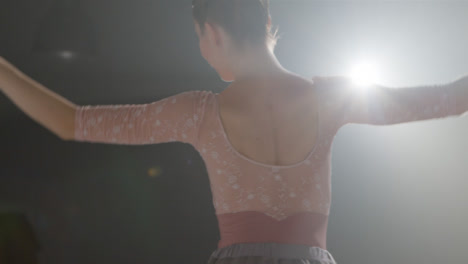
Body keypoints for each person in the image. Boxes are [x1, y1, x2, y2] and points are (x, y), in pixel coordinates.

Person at [0, 0, 467, 263]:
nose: (203, 50)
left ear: (213, 31)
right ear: (267, 24)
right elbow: (449, 98)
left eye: (199, 37)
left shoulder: (197, 112)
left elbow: (70, 121)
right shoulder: (332, 97)